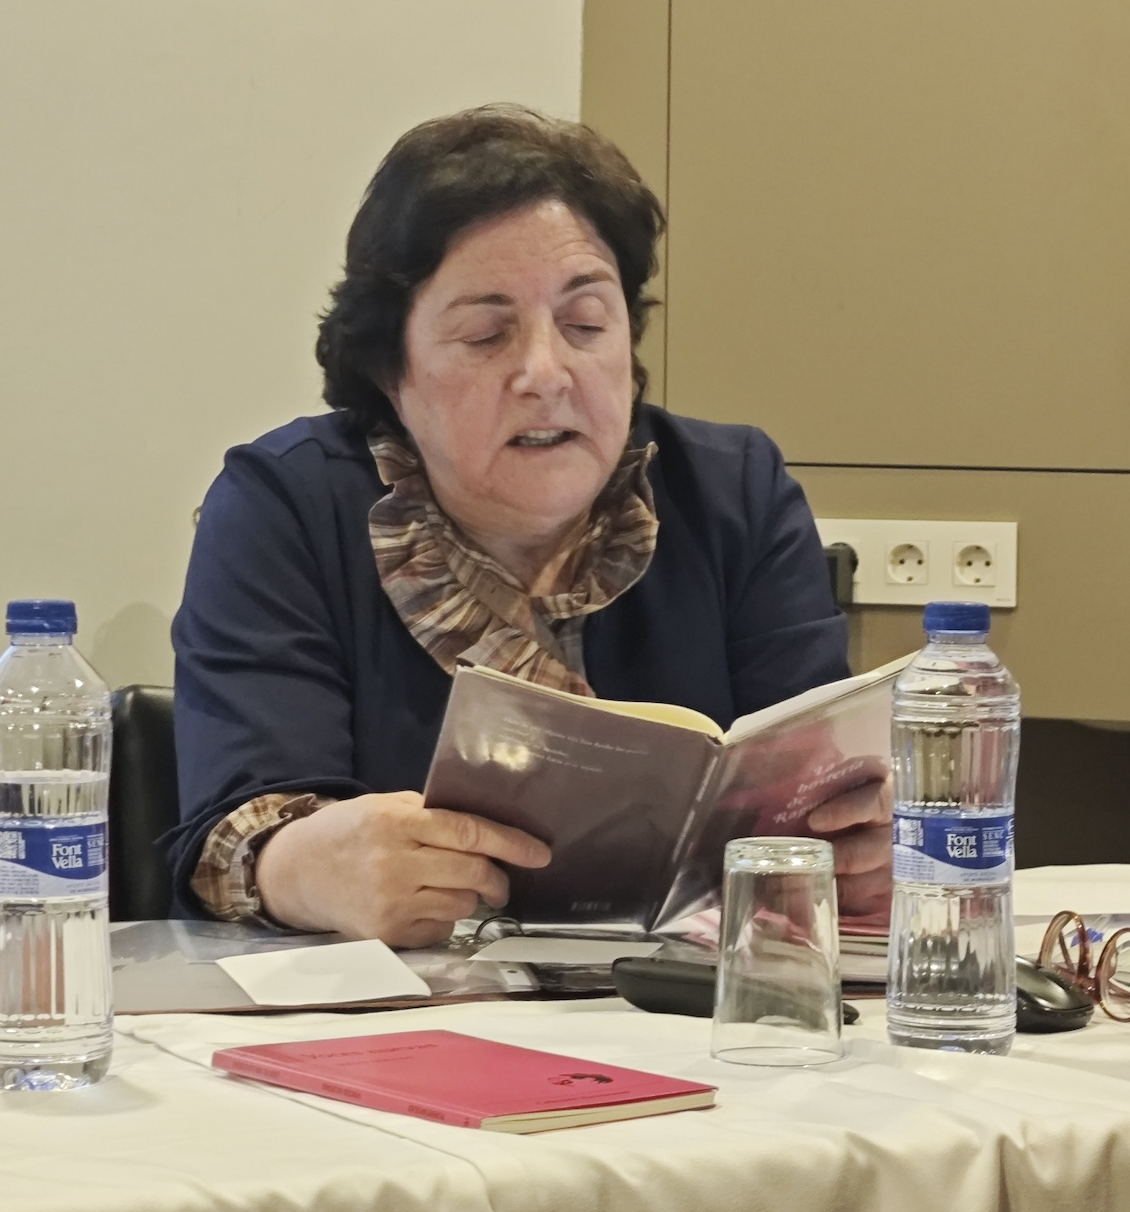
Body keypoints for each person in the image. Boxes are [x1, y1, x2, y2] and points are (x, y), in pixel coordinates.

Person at [167, 104, 892, 948]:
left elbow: (820, 792)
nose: (547, 373)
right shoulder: (284, 506)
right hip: (401, 1005)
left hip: (684, 1001)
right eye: (486, 335)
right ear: (390, 369)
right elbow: (233, 838)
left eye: (586, 326)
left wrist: (859, 848)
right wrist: (305, 868)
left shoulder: (734, 492)